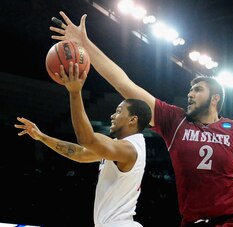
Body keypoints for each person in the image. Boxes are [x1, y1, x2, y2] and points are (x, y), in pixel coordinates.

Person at [50, 11, 233, 227]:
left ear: (215, 98)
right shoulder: (176, 121)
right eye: (190, 90)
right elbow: (123, 83)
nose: (190, 94)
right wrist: (86, 45)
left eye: (198, 90)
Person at [14, 62, 152, 227]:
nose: (112, 116)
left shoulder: (128, 149)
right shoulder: (120, 147)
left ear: (133, 120)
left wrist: (75, 92)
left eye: (118, 111)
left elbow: (87, 139)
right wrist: (42, 137)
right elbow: (79, 153)